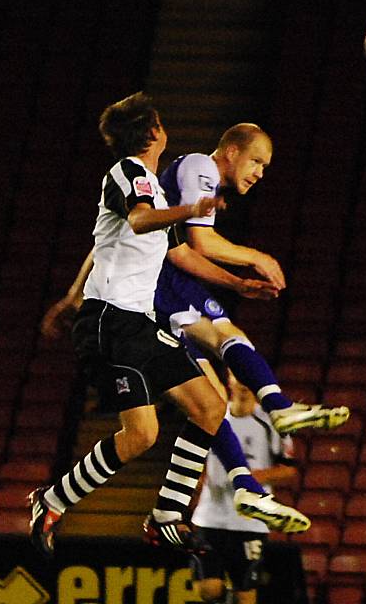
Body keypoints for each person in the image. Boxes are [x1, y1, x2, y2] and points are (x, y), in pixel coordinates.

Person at [28, 92, 309, 560]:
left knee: (198, 412)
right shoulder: (128, 174)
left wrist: (238, 285)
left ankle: (152, 514)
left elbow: (172, 252)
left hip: (135, 323)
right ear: (154, 131)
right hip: (112, 324)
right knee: (161, 426)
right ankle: (68, 502)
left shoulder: (154, 191)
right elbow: (138, 222)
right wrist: (190, 210)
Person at [155, 123, 350, 437]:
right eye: (256, 161)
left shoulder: (204, 181)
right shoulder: (201, 166)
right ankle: (277, 406)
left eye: (264, 166)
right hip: (162, 280)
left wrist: (237, 283)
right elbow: (200, 243)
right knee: (221, 351)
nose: (260, 173)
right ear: (232, 152)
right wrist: (257, 257)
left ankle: (245, 478)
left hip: (169, 279)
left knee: (214, 405)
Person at [191, 369, 300, 604]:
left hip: (249, 522)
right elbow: (197, 452)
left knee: (245, 594)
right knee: (208, 589)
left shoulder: (272, 423)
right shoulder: (213, 416)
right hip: (210, 518)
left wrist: (254, 476)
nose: (243, 383)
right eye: (237, 376)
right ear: (229, 380)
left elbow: (289, 468)